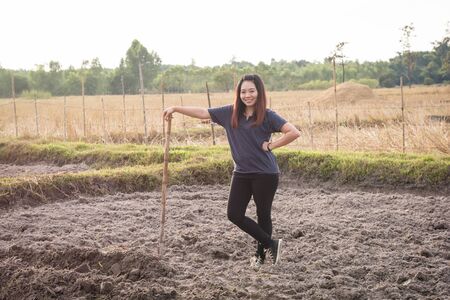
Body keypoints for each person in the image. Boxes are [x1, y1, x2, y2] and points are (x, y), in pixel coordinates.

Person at [163, 74, 300, 266]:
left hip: (265, 174)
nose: (247, 95)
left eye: (251, 91)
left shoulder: (268, 115)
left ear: (259, 92)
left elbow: (294, 132)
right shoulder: (229, 113)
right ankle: (271, 244)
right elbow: (203, 112)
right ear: (238, 94)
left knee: (263, 214)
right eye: (243, 91)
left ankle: (260, 257)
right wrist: (176, 108)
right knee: (234, 214)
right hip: (241, 173)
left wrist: (271, 145)